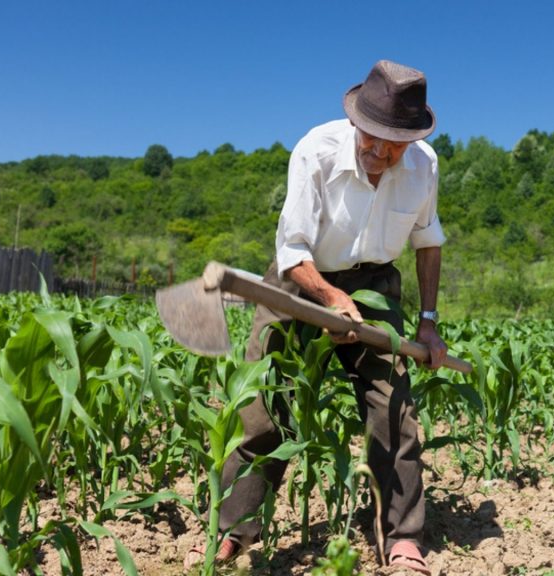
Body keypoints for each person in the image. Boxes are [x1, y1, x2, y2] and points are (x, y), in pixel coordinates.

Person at [186, 60, 446, 575]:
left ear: (410, 140)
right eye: (369, 137)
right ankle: (229, 533)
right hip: (300, 283)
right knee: (263, 410)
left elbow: (428, 243)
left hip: (374, 287)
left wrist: (429, 320)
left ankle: (403, 540)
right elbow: (293, 248)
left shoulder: (424, 167)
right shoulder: (315, 151)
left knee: (392, 409)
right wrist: (328, 297)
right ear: (356, 122)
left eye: (390, 144)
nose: (376, 151)